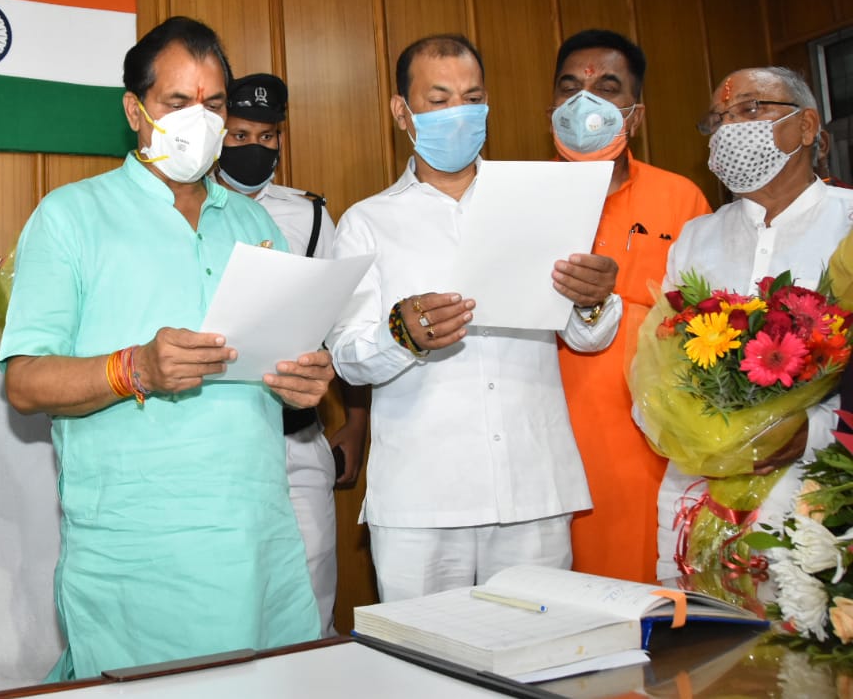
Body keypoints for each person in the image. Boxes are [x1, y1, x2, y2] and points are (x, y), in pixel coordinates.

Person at [0, 16, 333, 680]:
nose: (199, 121)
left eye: (213, 105)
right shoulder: (71, 216)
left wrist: (305, 382)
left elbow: (279, 367)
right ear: (135, 110)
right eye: (178, 102)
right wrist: (136, 368)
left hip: (257, 539)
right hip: (138, 553)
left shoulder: (254, 221)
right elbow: (25, 382)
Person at [325, 34, 621, 601]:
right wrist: (402, 334)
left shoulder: (539, 201)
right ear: (402, 112)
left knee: (539, 647)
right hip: (421, 499)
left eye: (472, 98)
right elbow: (348, 359)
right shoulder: (367, 222)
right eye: (438, 100)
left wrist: (592, 299)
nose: (458, 113)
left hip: (534, 487)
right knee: (421, 653)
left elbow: (587, 337)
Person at [649, 66, 853, 579]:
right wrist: (689, 430)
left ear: (806, 127)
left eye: (750, 109)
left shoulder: (848, 221)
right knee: (697, 623)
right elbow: (662, 360)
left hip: (821, 486)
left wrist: (816, 429)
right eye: (718, 118)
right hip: (696, 490)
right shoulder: (696, 236)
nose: (730, 128)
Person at [548, 30, 712, 582]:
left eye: (607, 87)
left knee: (650, 605)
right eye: (569, 87)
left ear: (634, 116)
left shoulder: (682, 198)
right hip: (549, 445)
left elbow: (709, 327)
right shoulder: (522, 196)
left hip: (650, 449)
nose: (584, 101)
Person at [216, 72, 368, 636]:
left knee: (312, 583)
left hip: (296, 429)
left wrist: (356, 421)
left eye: (267, 136)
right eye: (239, 135)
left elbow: (340, 320)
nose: (253, 148)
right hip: (219, 428)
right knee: (231, 595)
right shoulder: (188, 208)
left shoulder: (310, 215)